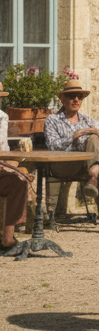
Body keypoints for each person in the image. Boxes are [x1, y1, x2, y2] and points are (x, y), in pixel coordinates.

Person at [44, 79, 99, 234]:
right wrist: (76, 135)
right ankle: (95, 175)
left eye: (79, 96)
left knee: (95, 142)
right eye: (71, 96)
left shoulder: (87, 120)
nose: (76, 99)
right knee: (98, 160)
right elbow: (52, 146)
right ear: (62, 99)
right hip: (62, 165)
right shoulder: (53, 120)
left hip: (85, 166)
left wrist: (93, 133)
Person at [0, 94, 35, 253]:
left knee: (18, 182)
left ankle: (8, 238)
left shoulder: (2, 117)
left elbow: (3, 148)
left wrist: (12, 164)